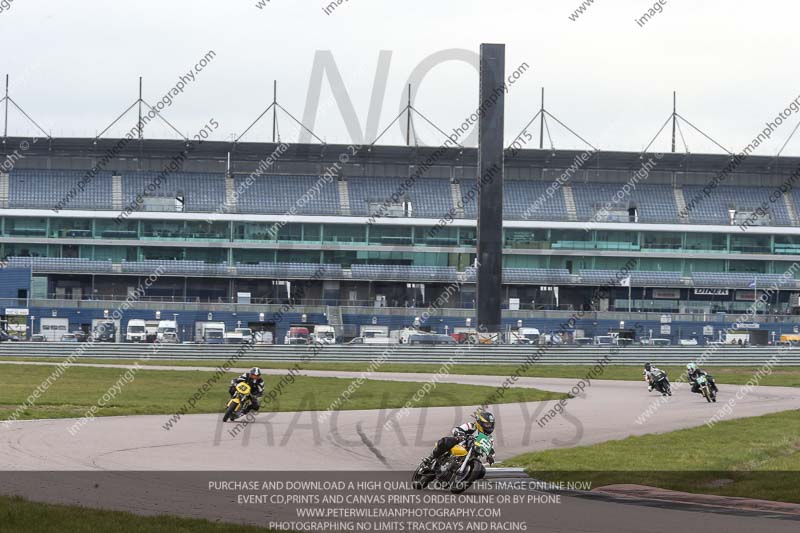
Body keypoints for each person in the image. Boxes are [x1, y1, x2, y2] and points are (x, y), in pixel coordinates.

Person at [422, 409, 496, 467]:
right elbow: (456, 429)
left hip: (472, 456)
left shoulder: (489, 438)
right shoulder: (472, 426)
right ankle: (431, 458)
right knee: (445, 441)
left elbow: (491, 451)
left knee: (481, 470)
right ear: (480, 423)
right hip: (461, 445)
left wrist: (490, 457)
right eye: (487, 424)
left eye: (490, 424)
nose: (489, 426)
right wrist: (460, 435)